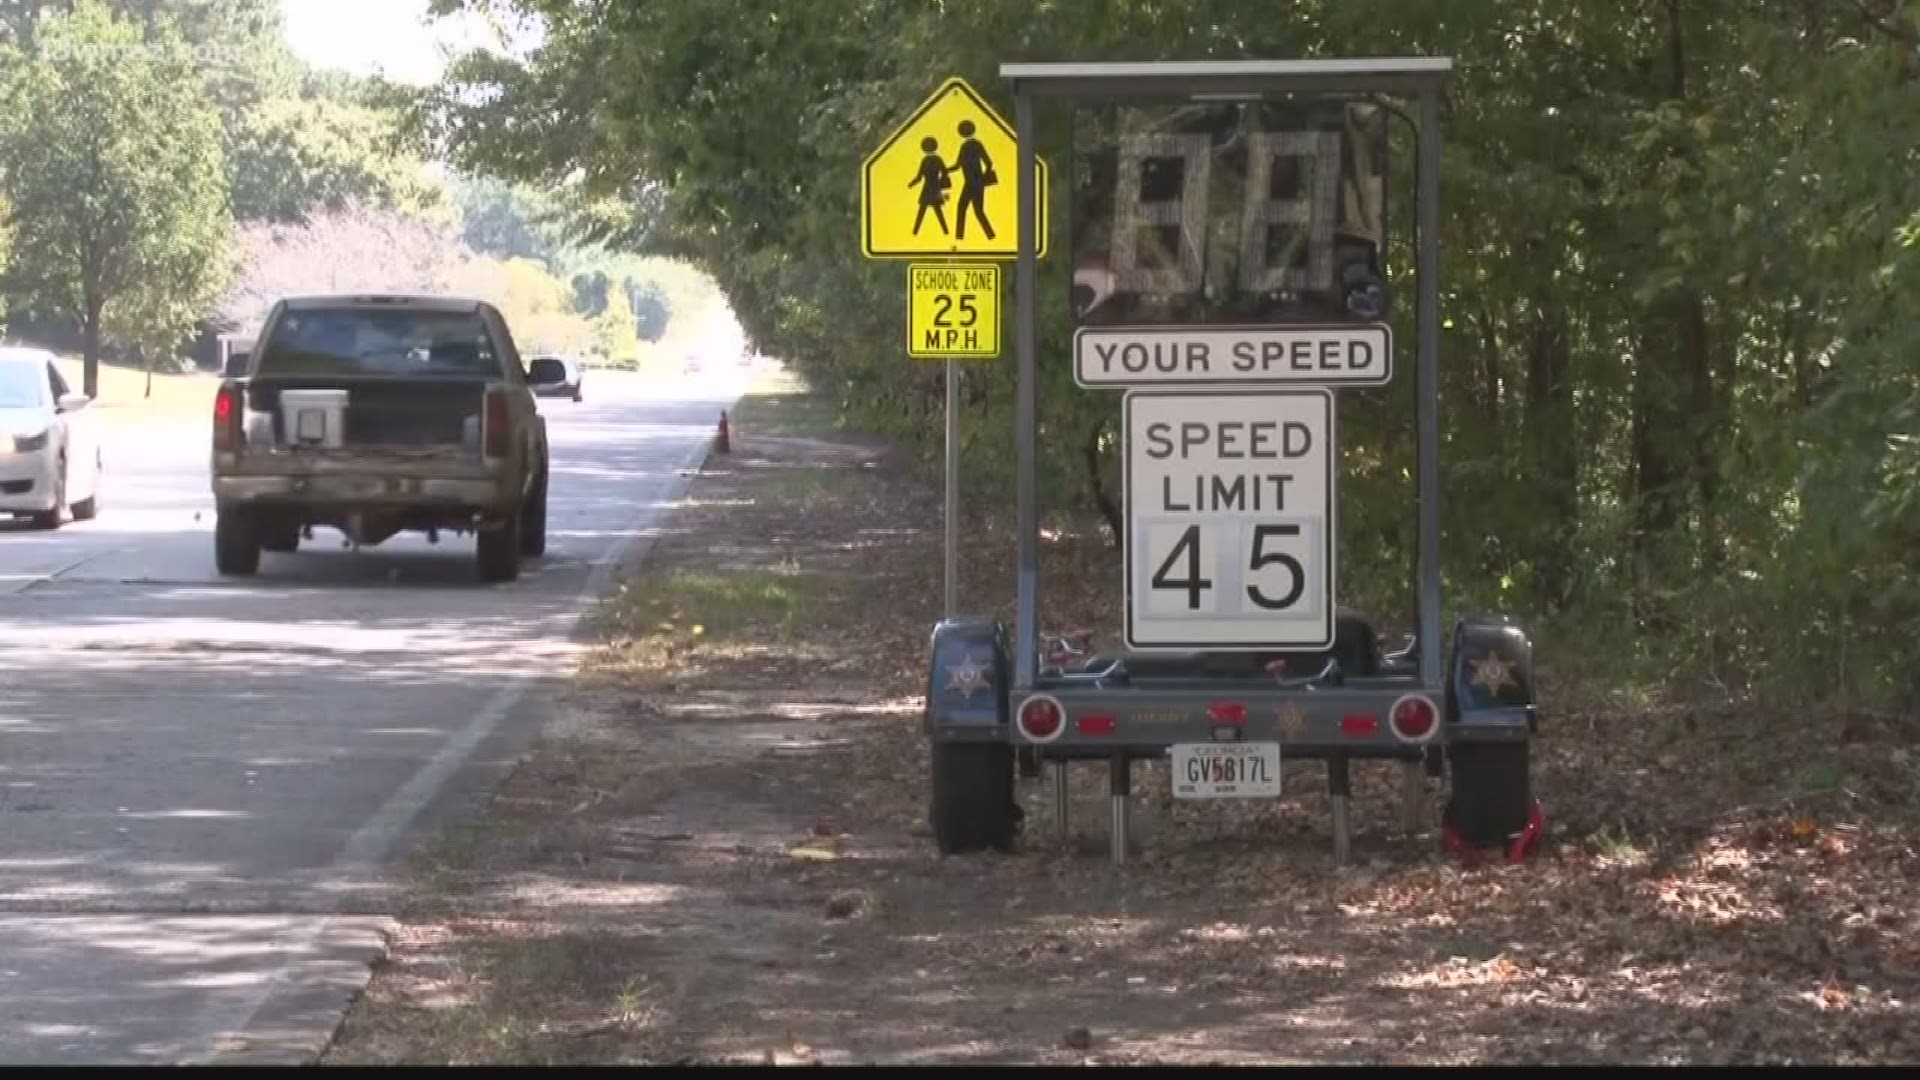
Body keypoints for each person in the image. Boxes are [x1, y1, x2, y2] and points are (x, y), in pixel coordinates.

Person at [950, 120, 996, 241]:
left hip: (973, 183)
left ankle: (960, 237)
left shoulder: (970, 146)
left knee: (965, 208)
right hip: (974, 183)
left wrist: (983, 177)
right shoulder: (970, 145)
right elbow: (958, 165)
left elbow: (988, 163)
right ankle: (989, 235)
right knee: (976, 210)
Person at [908, 136, 951, 236]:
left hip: (928, 189)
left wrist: (911, 184)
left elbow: (919, 177)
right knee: (936, 211)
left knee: (923, 211)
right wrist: (945, 193)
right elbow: (945, 174)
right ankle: (945, 232)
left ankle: (915, 232)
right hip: (935, 188)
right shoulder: (937, 159)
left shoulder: (925, 160)